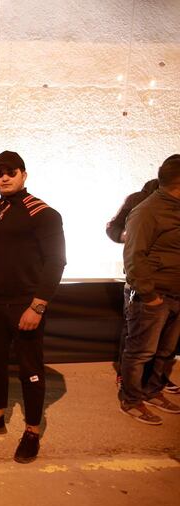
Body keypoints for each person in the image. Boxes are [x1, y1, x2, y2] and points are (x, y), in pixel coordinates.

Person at [0, 150, 66, 464]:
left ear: (24, 174)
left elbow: (56, 262)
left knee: (30, 370)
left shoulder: (45, 213)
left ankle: (32, 430)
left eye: (11, 171)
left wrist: (38, 306)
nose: (4, 177)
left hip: (25, 304)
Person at [118, 155, 180, 424]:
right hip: (154, 296)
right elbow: (133, 257)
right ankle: (131, 399)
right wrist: (150, 296)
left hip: (176, 294)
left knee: (165, 352)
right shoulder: (147, 210)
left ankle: (153, 391)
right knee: (140, 351)